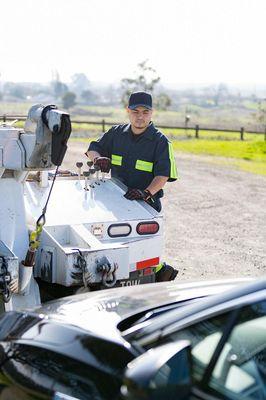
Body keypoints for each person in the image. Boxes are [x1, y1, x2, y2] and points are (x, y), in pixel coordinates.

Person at [85, 91, 178, 281]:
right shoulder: (116, 134)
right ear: (128, 111)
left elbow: (163, 175)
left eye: (145, 112)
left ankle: (157, 274)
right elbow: (92, 148)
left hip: (145, 205)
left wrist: (145, 193)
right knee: (114, 246)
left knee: (143, 249)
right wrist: (98, 159)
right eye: (136, 111)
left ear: (152, 113)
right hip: (115, 203)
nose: (140, 116)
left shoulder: (160, 142)